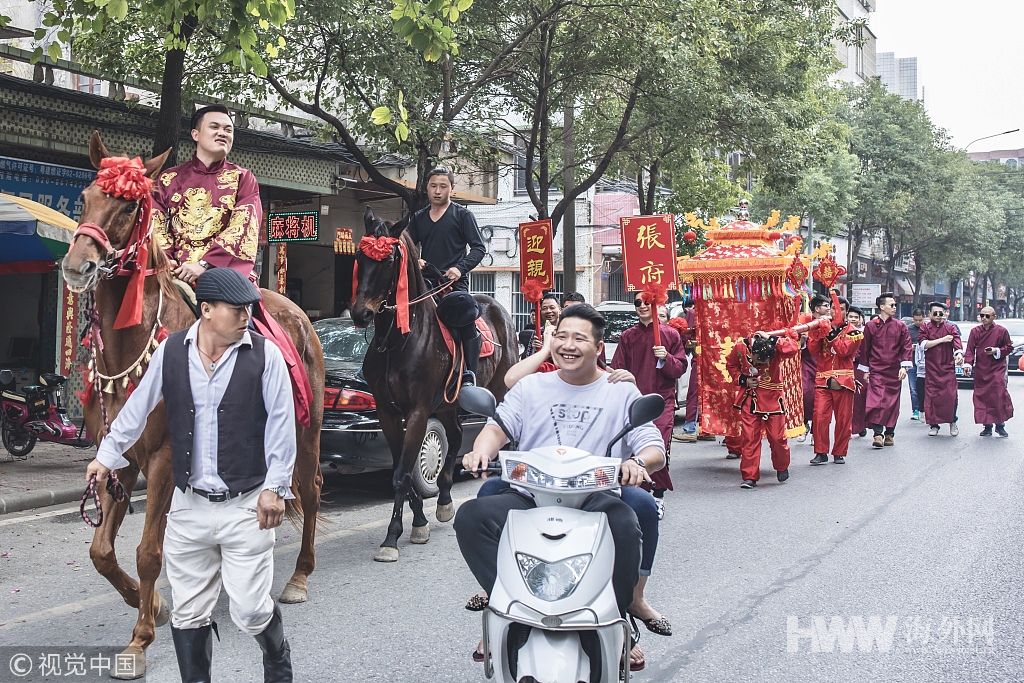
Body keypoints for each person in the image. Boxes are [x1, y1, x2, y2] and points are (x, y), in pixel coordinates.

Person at [84, 268, 296, 682]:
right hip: (188, 507)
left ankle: (277, 656)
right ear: (207, 310)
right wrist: (106, 456)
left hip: (246, 507)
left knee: (250, 611)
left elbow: (281, 425)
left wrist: (276, 487)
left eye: (248, 309)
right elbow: (138, 409)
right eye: (237, 310)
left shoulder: (266, 355)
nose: (246, 317)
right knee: (188, 614)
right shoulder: (170, 352)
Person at [455, 305, 666, 669]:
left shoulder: (620, 392)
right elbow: (497, 427)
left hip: (594, 499)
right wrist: (480, 451)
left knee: (628, 523)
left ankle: (616, 618)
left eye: (579, 338)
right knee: (471, 517)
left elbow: (653, 448)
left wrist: (636, 463)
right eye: (562, 336)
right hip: (530, 496)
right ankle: (504, 607)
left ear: (598, 347)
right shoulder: (530, 387)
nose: (568, 345)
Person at [152, 105, 263, 287]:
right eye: (214, 127)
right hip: (172, 272)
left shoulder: (242, 178)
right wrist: (168, 262)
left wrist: (204, 264)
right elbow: (155, 226)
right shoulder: (168, 179)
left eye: (228, 130)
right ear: (195, 134)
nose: (222, 133)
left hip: (223, 276)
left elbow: (243, 227)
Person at [408, 167, 487, 385]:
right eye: (433, 186)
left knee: (464, 319)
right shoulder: (418, 218)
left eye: (443, 186)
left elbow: (479, 248)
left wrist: (460, 268)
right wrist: (415, 259)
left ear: (451, 188)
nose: (437, 191)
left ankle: (469, 374)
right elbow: (405, 245)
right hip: (425, 283)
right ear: (426, 188)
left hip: (454, 284)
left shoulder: (462, 215)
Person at [611, 295, 688, 515]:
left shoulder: (670, 334)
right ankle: (640, 496)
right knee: (635, 450)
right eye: (638, 303)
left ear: (656, 304)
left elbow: (680, 368)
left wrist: (666, 358)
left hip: (662, 402)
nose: (643, 306)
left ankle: (658, 495)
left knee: (657, 447)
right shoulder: (628, 336)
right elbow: (617, 367)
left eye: (647, 302)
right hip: (635, 402)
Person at [727, 331, 800, 488]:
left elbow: (793, 348)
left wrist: (772, 338)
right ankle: (749, 476)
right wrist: (744, 380)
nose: (761, 364)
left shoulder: (775, 346)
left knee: (777, 438)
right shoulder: (740, 347)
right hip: (750, 398)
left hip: (773, 399)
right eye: (758, 360)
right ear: (752, 353)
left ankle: (781, 466)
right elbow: (731, 365)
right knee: (749, 438)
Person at [808, 304, 864, 465]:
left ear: (846, 312)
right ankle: (821, 452)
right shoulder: (823, 326)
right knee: (819, 417)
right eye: (832, 308)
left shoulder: (854, 332)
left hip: (843, 382)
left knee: (843, 419)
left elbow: (843, 351)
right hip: (823, 380)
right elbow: (813, 351)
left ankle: (839, 452)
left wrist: (830, 332)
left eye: (841, 309)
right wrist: (816, 332)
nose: (835, 311)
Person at [856, 293, 912, 448]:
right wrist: (866, 370)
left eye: (894, 305)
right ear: (881, 307)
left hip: (894, 371)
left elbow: (906, 347)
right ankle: (877, 434)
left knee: (891, 404)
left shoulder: (900, 326)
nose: (894, 307)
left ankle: (889, 433)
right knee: (876, 402)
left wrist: (904, 367)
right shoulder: (870, 326)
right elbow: (865, 348)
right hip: (876, 370)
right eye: (891, 305)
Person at [963, 307, 1014, 437]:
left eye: (987, 316)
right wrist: (968, 364)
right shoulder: (975, 331)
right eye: (982, 316)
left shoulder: (1001, 331)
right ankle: (987, 426)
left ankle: (1000, 425)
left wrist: (996, 350)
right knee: (983, 397)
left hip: (997, 369)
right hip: (981, 369)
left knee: (998, 396)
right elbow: (970, 349)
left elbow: (1009, 347)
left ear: (994, 317)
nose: (984, 318)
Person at [918, 302, 963, 437]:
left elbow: (957, 343)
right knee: (932, 397)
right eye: (935, 313)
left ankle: (952, 422)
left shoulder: (950, 327)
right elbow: (923, 345)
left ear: (945, 314)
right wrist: (942, 340)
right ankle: (934, 425)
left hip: (947, 367)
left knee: (951, 396)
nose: (938, 315)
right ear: (930, 314)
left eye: (940, 313)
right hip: (932, 368)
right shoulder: (925, 327)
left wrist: (959, 354)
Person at [798, 295, 833, 442]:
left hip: (825, 364)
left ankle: (816, 431)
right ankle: (804, 423)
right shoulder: (804, 321)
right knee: (806, 393)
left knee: (822, 400)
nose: (829, 309)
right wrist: (802, 339)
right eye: (826, 306)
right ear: (817, 309)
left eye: (829, 306)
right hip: (807, 363)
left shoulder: (831, 322)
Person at [847, 307, 868, 438]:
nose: (853, 319)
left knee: (860, 397)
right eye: (851, 317)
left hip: (860, 368)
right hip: (844, 368)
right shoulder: (841, 331)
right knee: (846, 399)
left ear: (861, 319)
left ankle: (860, 425)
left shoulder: (865, 333)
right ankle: (848, 427)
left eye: (856, 317)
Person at [907, 308, 925, 420]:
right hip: (912, 363)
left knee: (925, 388)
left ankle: (926, 409)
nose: (918, 322)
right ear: (913, 319)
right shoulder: (908, 330)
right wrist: (911, 348)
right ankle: (916, 409)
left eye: (920, 320)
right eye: (916, 320)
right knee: (913, 388)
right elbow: (903, 345)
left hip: (925, 364)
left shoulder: (927, 329)